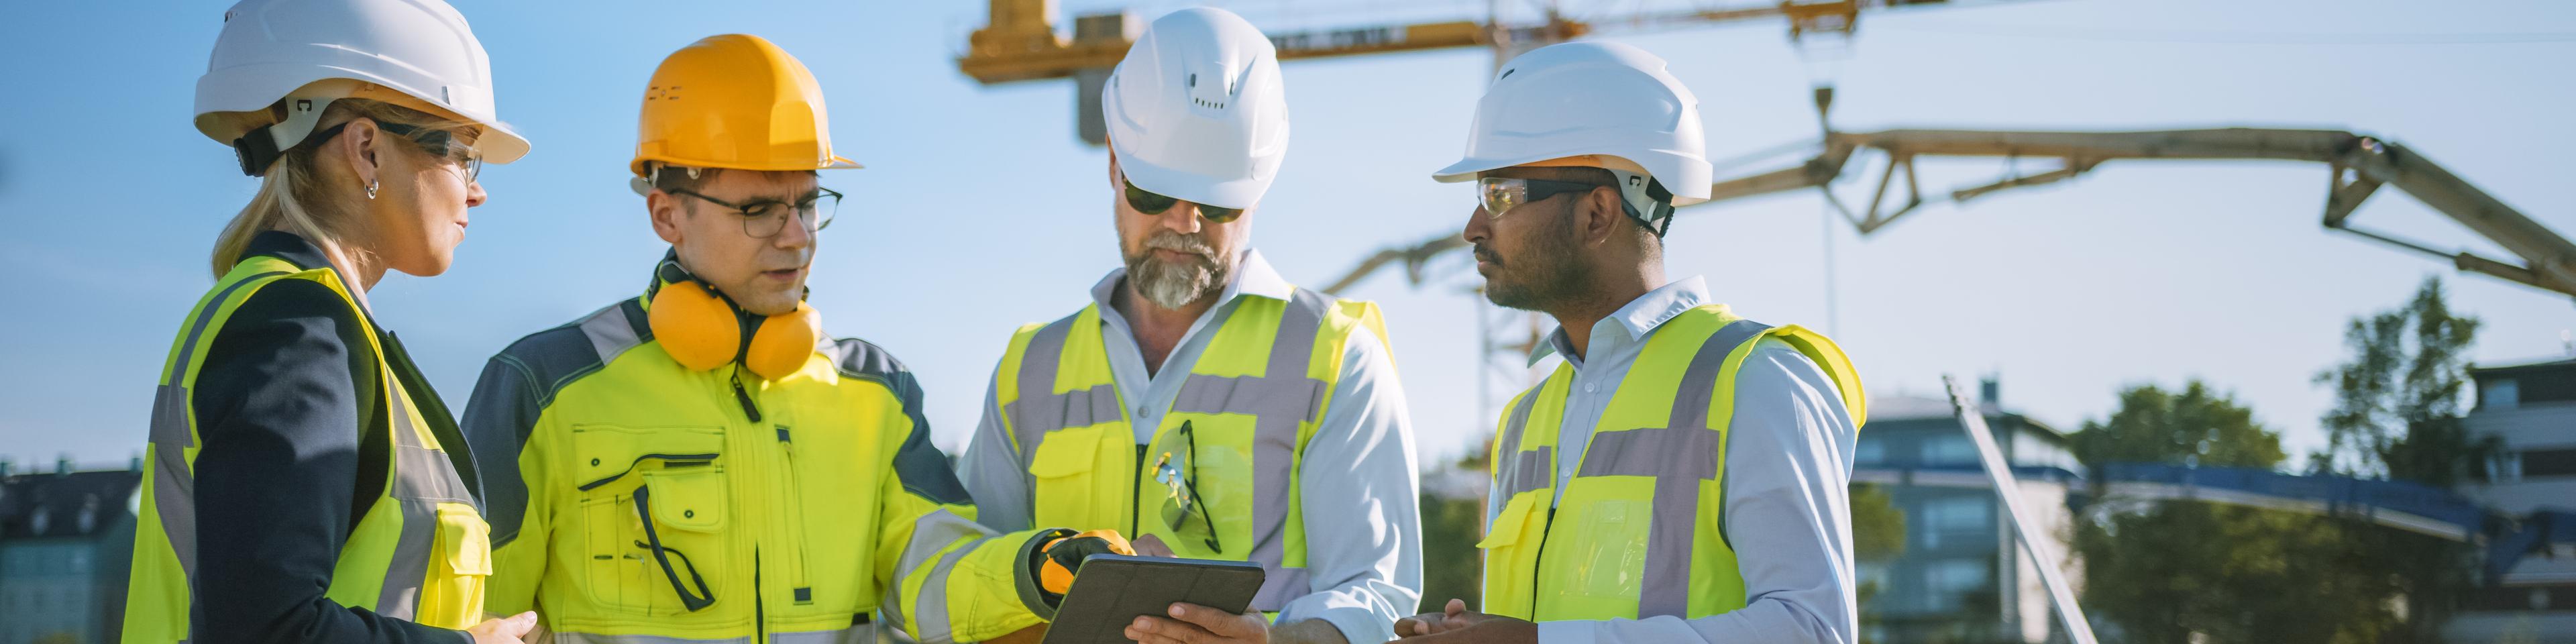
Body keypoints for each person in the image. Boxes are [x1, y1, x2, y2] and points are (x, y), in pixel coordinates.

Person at [460, 34, 1124, 644]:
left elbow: (933, 570)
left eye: (807, 203)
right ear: (666, 214)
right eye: (759, 211)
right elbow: (473, 615)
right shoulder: (543, 386)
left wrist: (1037, 569)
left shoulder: (878, 394)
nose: (798, 236)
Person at [955, 8, 1423, 644]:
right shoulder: (1030, 370)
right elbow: (965, 587)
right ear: (1114, 165)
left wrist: (1274, 643)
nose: (1183, 222)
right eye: (1154, 194)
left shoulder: (1336, 360)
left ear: (1258, 192)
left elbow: (1377, 600)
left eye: (1216, 203)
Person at [1393, 40, 1870, 644]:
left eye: (1501, 194)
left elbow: (1813, 630)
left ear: (1597, 213)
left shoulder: (1758, 382)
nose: (1473, 228)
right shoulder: (1525, 420)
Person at [124, 0, 537, 642]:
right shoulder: (297, 330)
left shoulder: (286, 314)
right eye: (462, 155)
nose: (476, 190)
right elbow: (265, 628)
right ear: (366, 150)